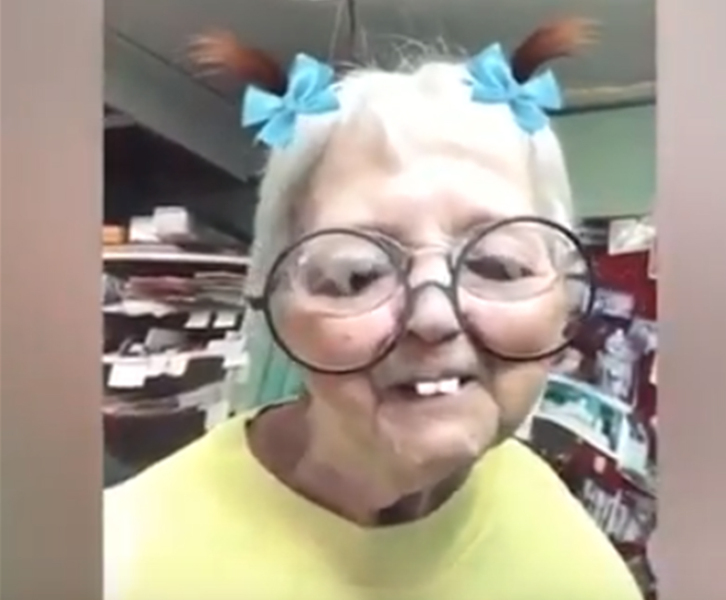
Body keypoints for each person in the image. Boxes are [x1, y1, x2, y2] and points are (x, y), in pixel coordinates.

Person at [104, 17, 645, 600]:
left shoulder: (561, 538)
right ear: (273, 305)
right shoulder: (117, 562)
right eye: (356, 275)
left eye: (499, 265)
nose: (434, 318)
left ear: (563, 300)